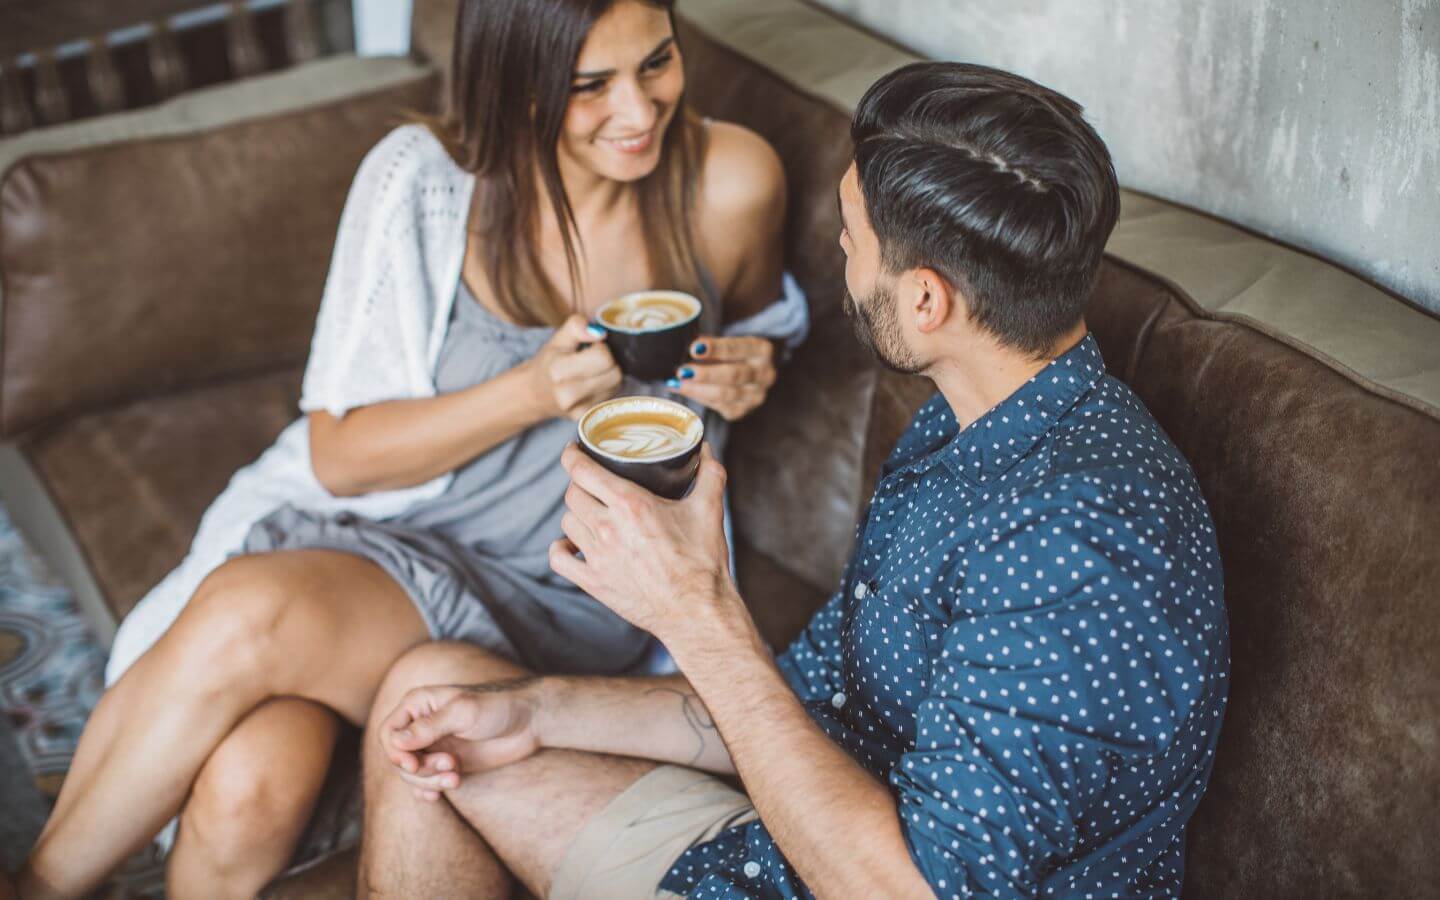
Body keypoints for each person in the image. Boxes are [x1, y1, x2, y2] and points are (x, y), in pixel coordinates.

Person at [360, 61, 1231, 899]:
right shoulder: (972, 424)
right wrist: (539, 713)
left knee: (429, 737)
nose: (841, 253)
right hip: (777, 846)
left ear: (926, 303)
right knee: (438, 702)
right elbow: (808, 700)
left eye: (852, 241)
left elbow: (915, 888)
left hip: (848, 868)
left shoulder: (1081, 538)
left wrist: (694, 613)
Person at [16, 0, 808, 897]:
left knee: (250, 610)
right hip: (404, 540)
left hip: (571, 583)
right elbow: (339, 457)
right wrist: (526, 395)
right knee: (253, 778)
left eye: (657, 63)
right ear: (512, 84)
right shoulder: (423, 183)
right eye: (589, 86)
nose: (638, 111)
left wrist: (754, 368)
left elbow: (750, 339)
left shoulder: (733, 181)